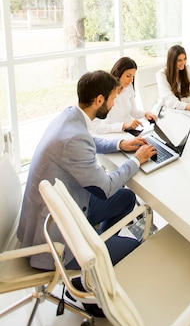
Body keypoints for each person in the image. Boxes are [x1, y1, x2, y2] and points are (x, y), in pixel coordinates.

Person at [18, 70, 157, 273]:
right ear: (99, 100)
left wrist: (121, 143)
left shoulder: (69, 117)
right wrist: (137, 160)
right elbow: (105, 188)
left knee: (126, 197)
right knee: (132, 247)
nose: (113, 104)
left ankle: (99, 246)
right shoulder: (74, 139)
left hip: (61, 209)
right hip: (56, 238)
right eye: (112, 99)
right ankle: (90, 270)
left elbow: (89, 140)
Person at [92, 56, 156, 134]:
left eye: (133, 76)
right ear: (117, 72)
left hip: (130, 131)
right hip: (112, 134)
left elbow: (133, 111)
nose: (131, 80)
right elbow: (95, 128)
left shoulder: (128, 88)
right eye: (128, 76)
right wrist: (123, 125)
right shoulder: (104, 92)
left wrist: (145, 114)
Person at [155, 45, 190, 113]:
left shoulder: (187, 69)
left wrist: (182, 101)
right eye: (179, 60)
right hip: (166, 111)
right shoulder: (161, 75)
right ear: (172, 61)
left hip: (182, 108)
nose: (183, 63)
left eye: (184, 59)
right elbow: (171, 102)